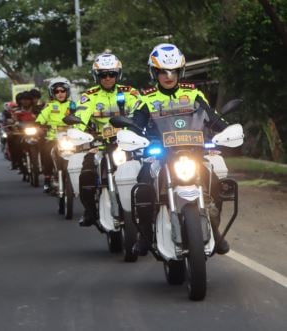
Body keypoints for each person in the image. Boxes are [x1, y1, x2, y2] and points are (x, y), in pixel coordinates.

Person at [130, 43, 230, 255]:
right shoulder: (145, 97)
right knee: (143, 182)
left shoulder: (193, 94)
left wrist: (226, 131)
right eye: (163, 71)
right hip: (161, 155)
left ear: (180, 71)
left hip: (192, 153)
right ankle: (145, 235)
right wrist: (132, 137)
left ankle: (215, 229)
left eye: (173, 71)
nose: (168, 76)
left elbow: (211, 117)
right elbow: (136, 124)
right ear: (154, 73)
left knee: (214, 184)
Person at [74, 53, 141, 227]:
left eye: (112, 74)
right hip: (101, 145)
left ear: (118, 74)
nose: (108, 78)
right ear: (97, 76)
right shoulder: (89, 96)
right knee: (86, 174)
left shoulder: (130, 93)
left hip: (128, 145)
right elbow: (80, 117)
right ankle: (90, 211)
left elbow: (141, 113)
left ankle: (147, 209)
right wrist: (78, 133)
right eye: (103, 74)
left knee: (147, 171)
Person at [35, 77, 73, 192]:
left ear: (67, 92)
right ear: (52, 93)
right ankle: (47, 178)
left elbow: (82, 117)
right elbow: (41, 118)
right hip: (53, 138)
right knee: (47, 152)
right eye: (57, 91)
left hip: (72, 138)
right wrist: (38, 124)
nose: (60, 94)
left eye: (63, 91)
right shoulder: (50, 106)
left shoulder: (73, 105)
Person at [5, 91, 37, 170]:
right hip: (20, 133)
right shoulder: (15, 111)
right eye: (23, 99)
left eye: (27, 99)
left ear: (31, 100)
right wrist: (12, 123)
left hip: (36, 132)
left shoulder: (37, 110)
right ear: (20, 101)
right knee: (11, 139)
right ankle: (15, 161)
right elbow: (12, 121)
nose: (25, 101)